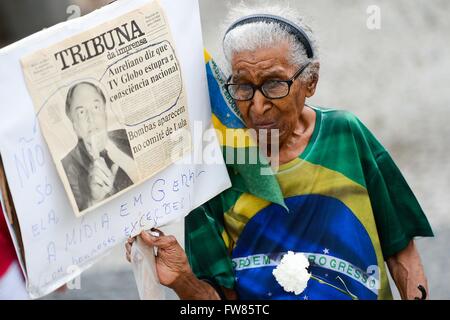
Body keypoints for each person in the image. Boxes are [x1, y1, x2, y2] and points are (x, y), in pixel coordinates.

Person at [126, 4, 433, 300]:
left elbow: (401, 251)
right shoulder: (214, 171)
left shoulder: (345, 135)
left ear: (310, 81)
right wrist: (182, 280)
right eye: (243, 87)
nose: (258, 106)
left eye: (274, 84)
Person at [62, 81, 138, 212]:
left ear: (105, 112)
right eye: (81, 112)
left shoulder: (129, 136)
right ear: (74, 124)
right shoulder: (67, 167)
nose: (90, 118)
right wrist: (94, 200)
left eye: (96, 107)